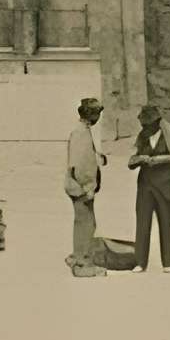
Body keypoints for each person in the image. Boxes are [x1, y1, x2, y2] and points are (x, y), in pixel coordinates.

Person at [129, 103, 170, 274]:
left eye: (149, 125)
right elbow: (131, 160)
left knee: (166, 223)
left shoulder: (167, 135)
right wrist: (140, 158)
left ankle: (168, 262)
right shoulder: (142, 137)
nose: (146, 128)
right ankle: (140, 262)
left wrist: (158, 160)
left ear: (157, 123)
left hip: (165, 186)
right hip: (145, 186)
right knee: (142, 223)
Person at [65, 98, 107, 278]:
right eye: (97, 113)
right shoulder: (80, 133)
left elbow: (84, 157)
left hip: (78, 185)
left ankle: (76, 257)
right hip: (81, 187)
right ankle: (82, 264)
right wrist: (87, 187)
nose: (99, 117)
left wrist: (98, 158)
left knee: (81, 221)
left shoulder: (81, 131)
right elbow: (78, 166)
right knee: (87, 224)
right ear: (91, 114)